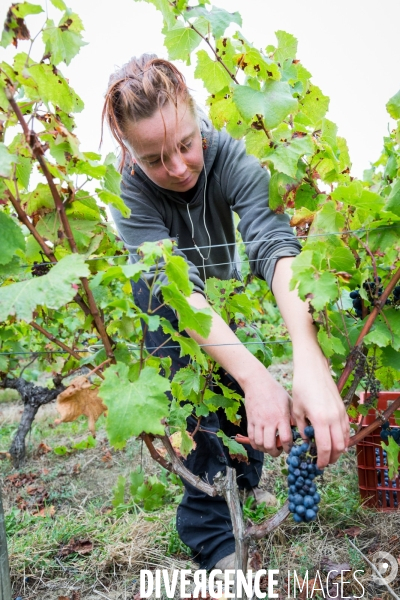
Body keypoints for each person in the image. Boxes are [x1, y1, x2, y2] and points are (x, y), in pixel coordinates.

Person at [102, 54, 350, 570]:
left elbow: (275, 246)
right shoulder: (129, 189)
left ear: (198, 118)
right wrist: (260, 379)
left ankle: (243, 484)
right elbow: (178, 291)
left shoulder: (231, 153)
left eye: (187, 145)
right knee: (191, 388)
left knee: (239, 395)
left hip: (223, 296)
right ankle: (213, 535)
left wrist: (309, 362)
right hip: (175, 306)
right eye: (153, 159)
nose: (176, 168)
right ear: (129, 152)